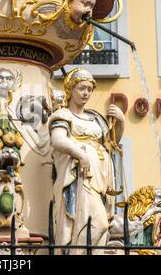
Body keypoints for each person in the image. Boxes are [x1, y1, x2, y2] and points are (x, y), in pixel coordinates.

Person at [49, 67, 125, 254]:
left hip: (99, 180)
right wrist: (81, 155)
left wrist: (121, 121)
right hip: (79, 178)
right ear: (71, 90)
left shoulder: (95, 118)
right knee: (94, 223)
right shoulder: (63, 115)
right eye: (82, 88)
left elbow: (111, 142)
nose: (86, 93)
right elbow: (58, 140)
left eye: (89, 89)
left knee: (101, 225)